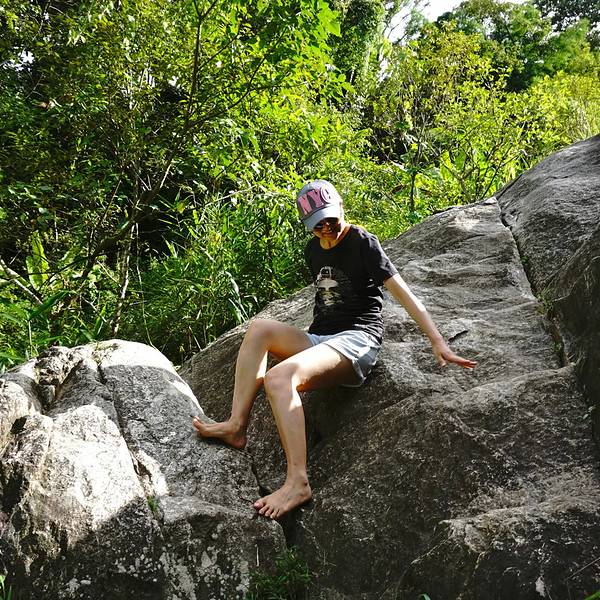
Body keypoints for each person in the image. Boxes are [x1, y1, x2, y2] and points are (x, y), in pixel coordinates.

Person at [192, 180, 477, 520]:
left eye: (331, 220)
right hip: (321, 339)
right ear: (308, 225)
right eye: (318, 225)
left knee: (279, 378)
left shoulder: (363, 243)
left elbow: (402, 293)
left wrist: (438, 341)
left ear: (341, 208)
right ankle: (237, 425)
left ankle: (298, 482)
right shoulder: (312, 250)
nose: (326, 229)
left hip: (356, 340)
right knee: (259, 329)